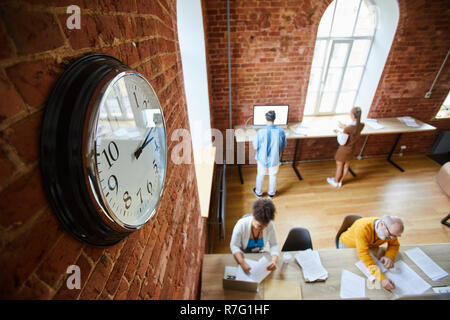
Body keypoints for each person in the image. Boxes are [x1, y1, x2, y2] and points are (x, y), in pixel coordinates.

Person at [338, 215, 404, 291]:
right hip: (347, 246)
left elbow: (394, 244)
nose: (392, 238)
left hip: (367, 246)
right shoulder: (363, 228)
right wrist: (381, 278)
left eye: (396, 236)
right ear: (382, 224)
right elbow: (364, 255)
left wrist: (389, 256)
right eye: (390, 234)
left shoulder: (390, 231)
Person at [230, 199, 279, 274]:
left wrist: (274, 261)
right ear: (253, 217)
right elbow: (234, 246)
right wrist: (242, 263)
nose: (262, 229)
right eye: (259, 226)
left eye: (265, 226)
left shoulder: (270, 225)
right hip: (244, 255)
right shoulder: (241, 225)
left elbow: (274, 244)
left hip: (260, 255)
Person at [327, 106, 365, 188]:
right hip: (352, 149)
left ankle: (335, 182)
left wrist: (338, 132)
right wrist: (344, 127)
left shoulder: (348, 129)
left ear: (352, 115)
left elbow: (342, 141)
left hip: (344, 150)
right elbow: (353, 130)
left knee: (339, 165)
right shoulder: (361, 125)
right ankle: (340, 181)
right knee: (346, 166)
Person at [252, 110, 287, 199]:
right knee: (273, 175)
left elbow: (255, 146)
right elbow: (283, 146)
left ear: (266, 119)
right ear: (274, 119)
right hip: (274, 158)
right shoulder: (281, 132)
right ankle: (271, 193)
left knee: (260, 174)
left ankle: (258, 193)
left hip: (262, 158)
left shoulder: (260, 131)